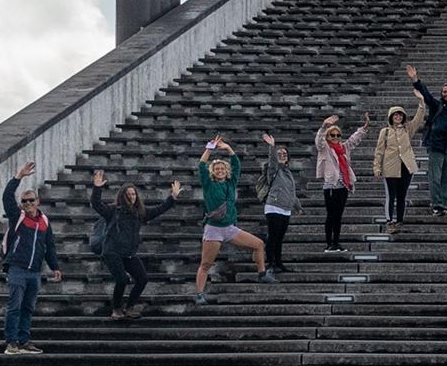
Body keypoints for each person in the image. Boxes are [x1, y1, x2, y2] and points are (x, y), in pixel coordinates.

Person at [87, 170, 187, 318]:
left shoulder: (139, 212)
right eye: (128, 194)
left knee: (142, 278)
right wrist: (97, 187)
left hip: (128, 253)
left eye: (133, 194)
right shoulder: (113, 211)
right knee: (122, 279)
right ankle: (116, 309)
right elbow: (96, 204)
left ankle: (130, 307)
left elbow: (158, 210)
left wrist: (172, 197)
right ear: (122, 196)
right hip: (112, 251)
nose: (131, 197)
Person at [190, 139, 272, 302]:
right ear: (213, 171)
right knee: (206, 264)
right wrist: (210, 149)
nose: (220, 170)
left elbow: (236, 165)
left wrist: (228, 148)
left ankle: (262, 274)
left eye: (222, 168)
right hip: (214, 229)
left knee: (259, 244)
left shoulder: (230, 183)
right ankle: (199, 294)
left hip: (229, 228)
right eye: (217, 169)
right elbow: (201, 165)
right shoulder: (209, 184)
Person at [0, 164, 61, 352]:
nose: (28, 204)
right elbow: (7, 197)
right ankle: (11, 342)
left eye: (31, 200)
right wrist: (18, 177)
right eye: (25, 201)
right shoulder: (18, 216)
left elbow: (49, 246)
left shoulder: (44, 221)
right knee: (15, 306)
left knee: (28, 307)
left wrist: (55, 266)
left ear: (38, 201)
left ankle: (24, 340)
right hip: (17, 267)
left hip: (35, 270)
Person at [406, 66, 447, 215]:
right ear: (442, 94)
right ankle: (436, 204)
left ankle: (445, 204)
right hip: (436, 146)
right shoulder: (436, 106)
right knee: (435, 178)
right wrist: (415, 79)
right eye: (445, 92)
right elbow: (426, 95)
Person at [372, 98, 424, 226]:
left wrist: (421, 102)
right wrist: (376, 167)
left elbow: (418, 118)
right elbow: (379, 151)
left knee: (402, 196)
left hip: (406, 167)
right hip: (390, 168)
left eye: (400, 114)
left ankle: (399, 220)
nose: (398, 116)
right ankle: (389, 221)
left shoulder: (407, 129)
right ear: (391, 116)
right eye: (395, 114)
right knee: (391, 195)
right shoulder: (385, 132)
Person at [312, 114, 356, 251]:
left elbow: (354, 140)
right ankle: (329, 243)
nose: (336, 138)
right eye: (333, 135)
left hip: (343, 186)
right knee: (331, 215)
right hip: (331, 186)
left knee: (338, 216)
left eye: (338, 135)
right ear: (328, 136)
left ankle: (336, 242)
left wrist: (364, 129)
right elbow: (318, 140)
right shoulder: (325, 148)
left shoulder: (343, 149)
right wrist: (324, 126)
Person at [256, 135, 300, 271]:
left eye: (284, 154)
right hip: (274, 206)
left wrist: (297, 206)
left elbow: (291, 191)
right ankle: (271, 263)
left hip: (286, 208)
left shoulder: (288, 172)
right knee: (273, 236)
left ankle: (279, 262)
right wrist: (272, 147)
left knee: (280, 238)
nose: (282, 155)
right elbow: (273, 162)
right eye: (279, 154)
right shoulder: (273, 169)